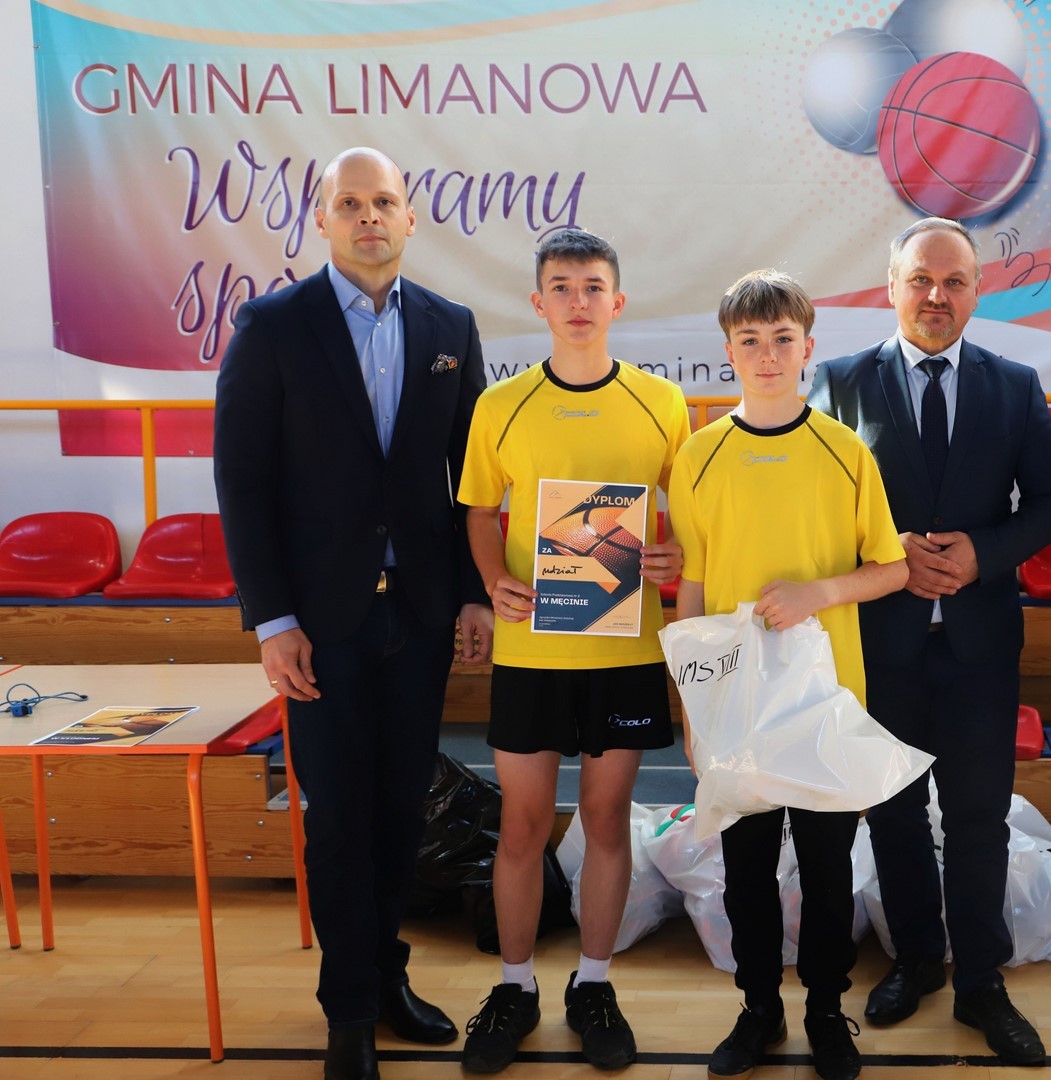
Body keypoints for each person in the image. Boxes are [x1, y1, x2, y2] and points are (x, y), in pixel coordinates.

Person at [213, 146, 493, 1080]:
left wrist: (471, 592)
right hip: (319, 626)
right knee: (336, 817)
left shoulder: (451, 326)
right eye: (350, 203)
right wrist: (272, 621)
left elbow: (471, 483)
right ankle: (348, 1011)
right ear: (323, 220)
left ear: (410, 218)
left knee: (401, 810)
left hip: (419, 615)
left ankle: (386, 979)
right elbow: (242, 484)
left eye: (384, 201)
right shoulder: (271, 325)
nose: (369, 217)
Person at [807, 218, 1051, 1065]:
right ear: (891, 286)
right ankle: (917, 959)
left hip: (978, 645)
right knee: (892, 814)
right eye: (921, 279)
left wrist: (981, 554)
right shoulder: (839, 382)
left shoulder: (1015, 385)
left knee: (978, 819)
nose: (936, 295)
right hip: (880, 644)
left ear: (977, 292)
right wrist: (890, 557)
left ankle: (981, 983)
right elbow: (818, 507)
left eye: (954, 281)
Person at [455, 229, 690, 1073]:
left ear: (617, 302)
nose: (578, 301)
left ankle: (593, 985)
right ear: (539, 303)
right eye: (562, 286)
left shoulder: (662, 404)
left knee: (604, 820)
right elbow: (480, 512)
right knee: (521, 825)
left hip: (625, 654)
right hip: (532, 653)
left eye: (593, 286)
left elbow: (685, 517)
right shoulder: (501, 405)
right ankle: (513, 988)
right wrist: (494, 581)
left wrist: (672, 555)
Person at [668, 270, 909, 1080]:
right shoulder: (699, 455)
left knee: (829, 870)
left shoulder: (844, 451)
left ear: (808, 347)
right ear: (728, 351)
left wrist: (820, 593)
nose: (767, 355)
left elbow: (892, 567)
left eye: (782, 339)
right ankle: (759, 1010)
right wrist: (693, 709)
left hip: (823, 704)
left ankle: (826, 1013)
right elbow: (694, 588)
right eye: (750, 340)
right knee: (745, 873)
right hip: (736, 706)